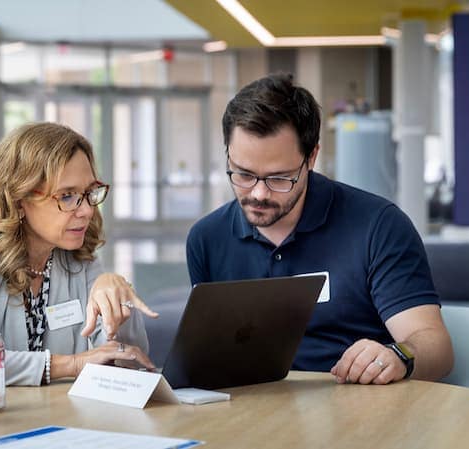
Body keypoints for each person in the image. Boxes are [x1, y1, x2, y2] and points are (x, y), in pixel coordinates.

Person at [186, 73, 453, 385]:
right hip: (252, 410)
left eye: (278, 178)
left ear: (311, 157)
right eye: (243, 174)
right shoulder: (206, 239)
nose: (258, 193)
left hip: (359, 410)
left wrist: (397, 355)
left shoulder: (378, 225)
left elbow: (436, 345)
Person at [0, 122, 158, 386]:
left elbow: (124, 363)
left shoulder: (77, 252)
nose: (87, 211)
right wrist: (70, 365)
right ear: (19, 200)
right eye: (67, 196)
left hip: (46, 418)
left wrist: (118, 298)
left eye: (89, 193)